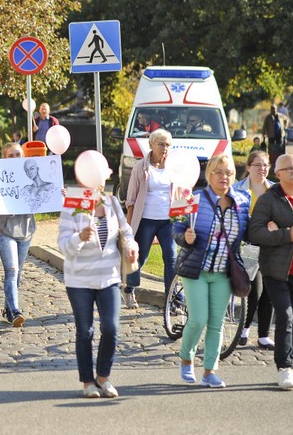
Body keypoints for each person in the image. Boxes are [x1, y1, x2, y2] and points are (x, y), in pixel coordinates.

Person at [58, 165, 138, 398]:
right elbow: (63, 245)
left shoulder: (112, 203)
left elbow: (127, 233)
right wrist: (79, 238)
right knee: (85, 331)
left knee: (111, 328)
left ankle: (103, 377)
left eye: (101, 174)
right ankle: (87, 382)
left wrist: (131, 248)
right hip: (79, 279)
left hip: (109, 277)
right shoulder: (72, 206)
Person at [173, 154, 250, 389]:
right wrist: (185, 238)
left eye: (228, 173)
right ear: (209, 175)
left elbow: (247, 232)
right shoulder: (194, 198)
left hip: (223, 272)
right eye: (219, 172)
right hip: (196, 269)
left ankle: (209, 371)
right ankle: (186, 358)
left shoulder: (242, 201)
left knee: (217, 323)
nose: (224, 177)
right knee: (198, 319)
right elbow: (177, 228)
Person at [249, 153, 293, 390]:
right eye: (290, 168)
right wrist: (285, 234)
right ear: (279, 174)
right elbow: (254, 232)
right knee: (285, 316)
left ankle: (291, 365)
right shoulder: (269, 199)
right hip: (277, 271)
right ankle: (283, 368)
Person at [124, 128, 177, 308]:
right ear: (151, 145)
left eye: (168, 145)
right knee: (141, 256)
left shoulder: (174, 166)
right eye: (161, 144)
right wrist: (130, 228)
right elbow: (131, 199)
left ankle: (172, 298)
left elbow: (181, 192)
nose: (165, 148)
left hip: (168, 221)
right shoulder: (141, 166)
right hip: (146, 219)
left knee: (171, 257)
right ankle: (129, 289)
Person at [232, 150, 275, 349]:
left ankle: (264, 334)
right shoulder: (237, 189)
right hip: (249, 246)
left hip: (272, 247)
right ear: (248, 167)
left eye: (265, 165)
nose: (262, 169)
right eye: (257, 165)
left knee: (270, 290)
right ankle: (245, 328)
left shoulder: (275, 190)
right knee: (253, 289)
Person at [0, 142, 37, 327]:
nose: (14, 158)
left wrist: (58, 193)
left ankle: (8, 308)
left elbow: (45, 198)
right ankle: (15, 311)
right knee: (11, 270)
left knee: (17, 273)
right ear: (4, 157)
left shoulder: (32, 176)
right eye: (10, 155)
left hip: (26, 230)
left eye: (17, 154)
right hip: (6, 229)